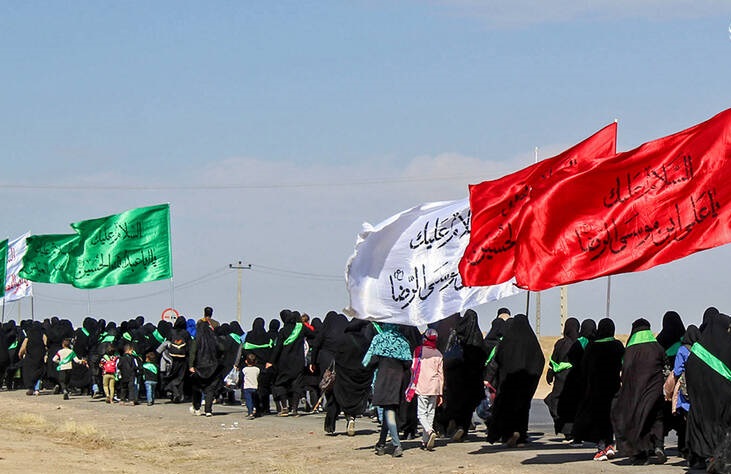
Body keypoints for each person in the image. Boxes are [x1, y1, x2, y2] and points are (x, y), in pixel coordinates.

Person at [611, 318, 666, 465]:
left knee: (639, 418)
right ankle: (659, 446)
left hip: (635, 392)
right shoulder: (656, 347)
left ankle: (642, 453)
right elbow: (665, 363)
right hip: (655, 390)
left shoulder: (630, 350)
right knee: (657, 417)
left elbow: (624, 369)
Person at [486, 314, 544, 447]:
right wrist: (533, 377)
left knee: (506, 407)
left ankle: (508, 435)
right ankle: (521, 436)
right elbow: (540, 360)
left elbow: (498, 359)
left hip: (508, 382)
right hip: (526, 383)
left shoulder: (508, 341)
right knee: (523, 408)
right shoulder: (532, 341)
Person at [572, 318, 624, 461]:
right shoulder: (618, 345)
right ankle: (609, 445)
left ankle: (602, 449)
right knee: (609, 417)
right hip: (613, 387)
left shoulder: (592, 347)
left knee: (599, 418)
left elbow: (584, 368)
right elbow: (623, 364)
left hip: (596, 388)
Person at [685, 310, 731, 471]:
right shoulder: (725, 348)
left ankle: (697, 458)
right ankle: (719, 458)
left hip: (699, 403)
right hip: (721, 402)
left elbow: (688, 374)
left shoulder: (697, 351)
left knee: (697, 421)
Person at [324, 319, 375, 436]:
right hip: (359, 376)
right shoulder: (366, 341)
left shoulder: (343, 339)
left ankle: (331, 425)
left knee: (338, 397)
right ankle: (351, 418)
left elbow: (337, 357)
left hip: (344, 375)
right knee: (354, 398)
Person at [267, 310, 314, 417]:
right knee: (297, 385)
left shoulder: (283, 331)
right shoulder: (301, 328)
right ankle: (294, 409)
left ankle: (284, 407)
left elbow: (277, 348)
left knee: (280, 383)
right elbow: (313, 334)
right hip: (299, 362)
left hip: (285, 362)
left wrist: (270, 361)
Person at [407, 328, 444, 451]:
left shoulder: (419, 351)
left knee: (421, 413)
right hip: (434, 387)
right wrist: (441, 393)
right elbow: (441, 374)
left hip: (422, 385)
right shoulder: (438, 353)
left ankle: (429, 431)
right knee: (430, 413)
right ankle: (425, 441)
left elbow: (413, 367)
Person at [544, 317, 580, 438]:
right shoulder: (579, 343)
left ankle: (566, 430)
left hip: (561, 379)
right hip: (575, 378)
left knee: (554, 402)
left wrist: (550, 373)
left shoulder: (560, 343)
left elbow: (553, 360)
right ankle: (571, 431)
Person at [188, 320, 224, 417]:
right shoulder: (214, 338)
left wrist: (191, 365)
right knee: (210, 389)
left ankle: (197, 408)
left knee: (197, 388)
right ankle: (208, 410)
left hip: (200, 367)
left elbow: (193, 353)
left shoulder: (197, 339)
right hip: (213, 367)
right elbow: (221, 348)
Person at [242, 353, 260, 419]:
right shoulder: (257, 369)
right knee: (255, 400)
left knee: (248, 400)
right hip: (255, 386)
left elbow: (242, 378)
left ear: (246, 361)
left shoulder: (244, 369)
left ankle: (250, 412)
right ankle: (256, 410)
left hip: (247, 387)